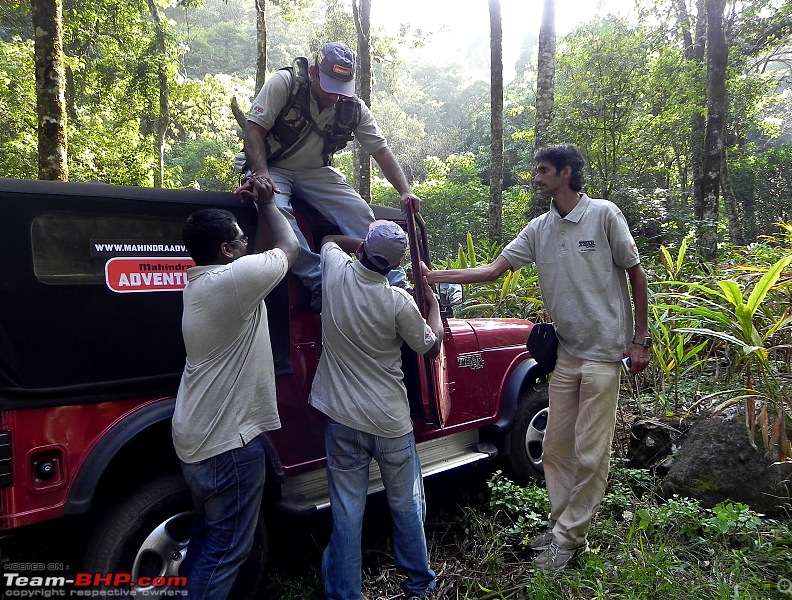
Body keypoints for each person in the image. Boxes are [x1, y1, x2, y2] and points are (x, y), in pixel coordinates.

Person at [421, 143, 651, 572]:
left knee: (590, 450)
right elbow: (492, 270)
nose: (536, 177)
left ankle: (568, 539)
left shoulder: (603, 214)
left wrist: (641, 339)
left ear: (565, 174)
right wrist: (431, 276)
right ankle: (564, 525)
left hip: (604, 352)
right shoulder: (539, 228)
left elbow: (636, 274)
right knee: (553, 447)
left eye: (543, 170)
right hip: (566, 353)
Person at [172, 177, 299, 598]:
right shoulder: (233, 283)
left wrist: (260, 213)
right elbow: (290, 250)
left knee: (207, 541)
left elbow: (262, 257)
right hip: (227, 445)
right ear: (227, 251)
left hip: (198, 438)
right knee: (226, 552)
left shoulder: (201, 285)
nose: (248, 247)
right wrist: (271, 201)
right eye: (241, 242)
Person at [309, 219, 443, 600]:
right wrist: (432, 307)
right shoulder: (399, 301)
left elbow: (328, 239)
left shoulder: (335, 271)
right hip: (390, 422)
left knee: (347, 512)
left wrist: (364, 244)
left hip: (342, 419)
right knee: (406, 506)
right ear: (393, 266)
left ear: (364, 250)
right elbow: (430, 348)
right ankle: (419, 583)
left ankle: (345, 593)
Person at [242, 42, 420, 311]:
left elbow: (381, 151)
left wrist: (404, 190)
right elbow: (254, 129)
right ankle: (318, 281)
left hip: (315, 172)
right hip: (274, 165)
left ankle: (395, 283)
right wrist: (262, 173)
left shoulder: (352, 107)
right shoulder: (285, 84)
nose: (334, 96)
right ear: (314, 72)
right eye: (329, 87)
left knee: (358, 211)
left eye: (341, 88)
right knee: (277, 212)